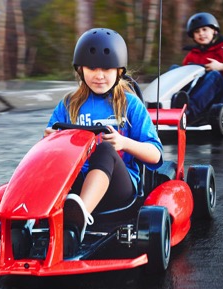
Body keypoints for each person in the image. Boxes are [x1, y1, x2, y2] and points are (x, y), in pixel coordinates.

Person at [44, 28, 163, 243]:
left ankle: (77, 219)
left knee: (105, 149)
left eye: (106, 68)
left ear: (119, 71)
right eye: (92, 68)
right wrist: (49, 141)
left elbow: (155, 155)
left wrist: (124, 143)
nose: (99, 75)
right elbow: (51, 155)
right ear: (80, 69)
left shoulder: (130, 104)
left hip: (119, 189)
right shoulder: (69, 104)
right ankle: (27, 217)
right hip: (76, 182)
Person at [173, 12, 223, 122]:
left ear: (214, 31)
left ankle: (190, 112)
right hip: (200, 94)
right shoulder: (192, 55)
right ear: (193, 36)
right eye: (197, 32)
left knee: (214, 75)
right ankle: (168, 105)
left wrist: (222, 67)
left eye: (204, 29)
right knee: (175, 69)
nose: (201, 34)